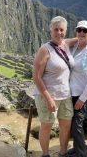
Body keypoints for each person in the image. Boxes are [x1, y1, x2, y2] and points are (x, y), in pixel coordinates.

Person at [33, 16, 75, 157]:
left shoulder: (65, 44)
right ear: (50, 31)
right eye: (56, 29)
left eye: (62, 30)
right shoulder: (45, 50)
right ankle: (45, 154)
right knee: (46, 126)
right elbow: (36, 77)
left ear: (65, 31)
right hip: (48, 95)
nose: (59, 32)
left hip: (65, 94)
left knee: (66, 125)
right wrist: (49, 98)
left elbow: (80, 39)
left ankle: (62, 152)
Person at [67, 20, 87, 157]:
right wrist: (78, 39)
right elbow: (60, 41)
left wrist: (82, 99)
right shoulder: (74, 47)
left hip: (82, 93)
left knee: (77, 124)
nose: (81, 33)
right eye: (79, 30)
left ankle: (81, 153)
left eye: (84, 31)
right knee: (72, 122)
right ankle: (76, 147)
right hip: (70, 92)